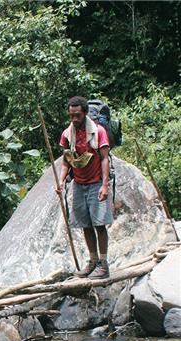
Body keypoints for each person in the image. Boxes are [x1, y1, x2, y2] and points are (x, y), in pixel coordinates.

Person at [56, 96, 113, 279]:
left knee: (99, 223)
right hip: (79, 184)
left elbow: (104, 158)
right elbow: (66, 160)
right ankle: (92, 260)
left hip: (96, 183)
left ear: (85, 113)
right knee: (85, 225)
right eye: (71, 115)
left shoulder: (98, 132)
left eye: (77, 115)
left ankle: (103, 265)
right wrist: (62, 181)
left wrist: (105, 186)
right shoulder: (67, 134)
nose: (74, 119)